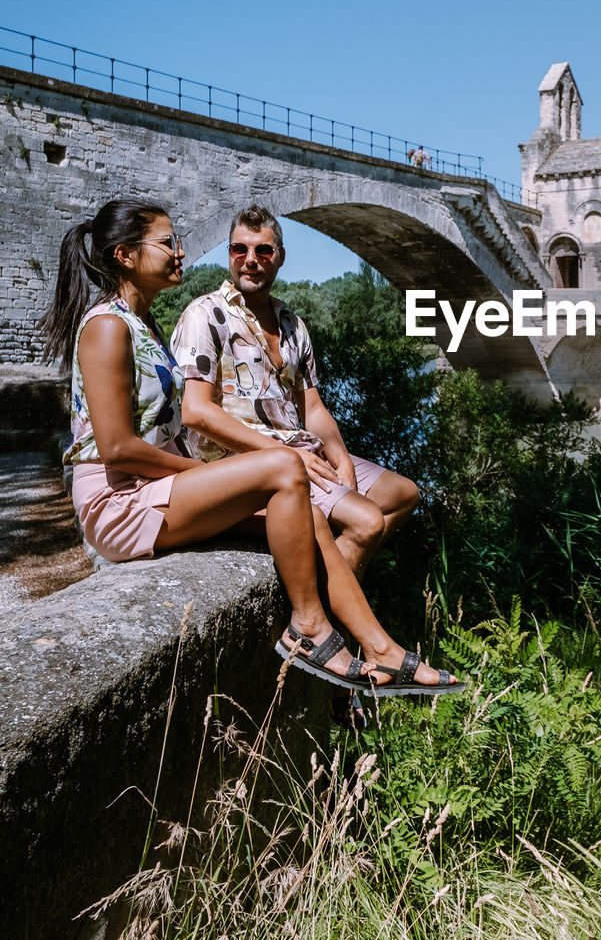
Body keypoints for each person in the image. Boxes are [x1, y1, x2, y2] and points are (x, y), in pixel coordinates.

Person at [39, 198, 462, 697]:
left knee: (305, 515)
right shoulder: (107, 326)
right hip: (120, 502)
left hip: (153, 489)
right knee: (284, 467)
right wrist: (194, 473)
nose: (181, 252)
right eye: (168, 242)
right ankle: (308, 626)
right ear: (125, 256)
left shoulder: (144, 326)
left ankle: (382, 651)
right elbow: (115, 449)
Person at [170, 204, 417, 583]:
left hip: (298, 450)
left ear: (279, 257)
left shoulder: (293, 325)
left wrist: (341, 458)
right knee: (367, 521)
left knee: (403, 495)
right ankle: (322, 616)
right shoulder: (205, 314)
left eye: (263, 251)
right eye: (240, 250)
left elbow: (313, 407)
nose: (251, 260)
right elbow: (196, 413)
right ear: (230, 255)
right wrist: (285, 456)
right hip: (246, 464)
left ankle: (323, 576)